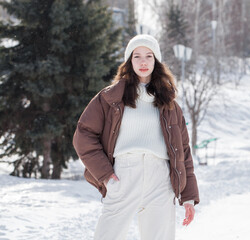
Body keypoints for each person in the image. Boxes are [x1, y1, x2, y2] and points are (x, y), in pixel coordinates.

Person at [73, 34, 200, 240]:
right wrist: (105, 175)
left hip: (161, 178)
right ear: (129, 61)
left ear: (156, 61)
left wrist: (188, 196)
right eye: (137, 56)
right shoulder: (110, 98)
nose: (143, 62)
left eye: (149, 56)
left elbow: (183, 150)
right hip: (123, 174)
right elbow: (83, 135)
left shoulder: (170, 104)